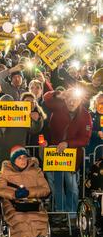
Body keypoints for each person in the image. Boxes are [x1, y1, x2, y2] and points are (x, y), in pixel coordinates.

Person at [0, 146, 50, 237]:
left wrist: (30, 192)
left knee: (34, 217)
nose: (23, 160)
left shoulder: (36, 170)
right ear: (13, 160)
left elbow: (46, 189)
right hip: (12, 203)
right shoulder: (5, 171)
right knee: (20, 218)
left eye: (25, 157)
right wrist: (14, 194)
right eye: (19, 158)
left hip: (32, 202)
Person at [43, 88, 92, 216]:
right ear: (65, 99)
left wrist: (68, 143)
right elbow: (46, 98)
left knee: (72, 187)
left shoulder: (85, 115)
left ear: (80, 100)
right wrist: (58, 94)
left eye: (75, 100)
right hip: (55, 154)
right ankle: (60, 211)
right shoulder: (58, 107)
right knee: (57, 185)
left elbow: (85, 139)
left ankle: (72, 214)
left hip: (72, 157)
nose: (72, 102)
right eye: (69, 99)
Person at [0, 94, 43, 186]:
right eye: (3, 105)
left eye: (9, 105)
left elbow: (34, 129)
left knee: (14, 195)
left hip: (15, 164)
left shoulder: (21, 118)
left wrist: (37, 120)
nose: (5, 107)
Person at [87, 91, 103, 160]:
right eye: (100, 103)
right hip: (93, 149)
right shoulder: (89, 115)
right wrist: (97, 133)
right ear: (95, 104)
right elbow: (86, 130)